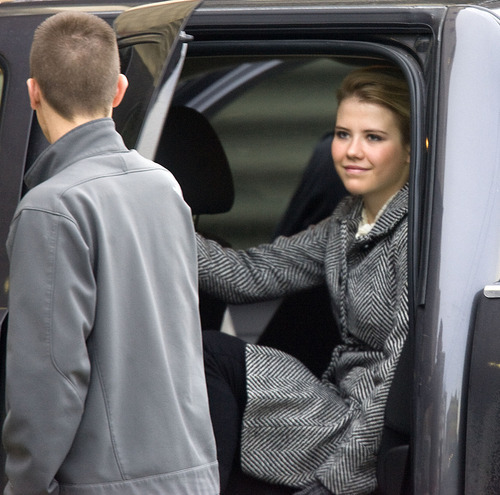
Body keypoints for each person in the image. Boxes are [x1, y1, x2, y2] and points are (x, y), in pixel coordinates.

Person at [2, 12, 218, 495]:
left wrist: (24, 485)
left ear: (33, 92)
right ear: (119, 90)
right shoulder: (164, 187)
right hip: (192, 477)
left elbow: (50, 379)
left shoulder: (51, 208)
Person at [198, 65, 411, 495]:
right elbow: (249, 274)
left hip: (368, 432)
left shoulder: (416, 233)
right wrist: (155, 220)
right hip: (334, 402)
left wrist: (335, 483)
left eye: (373, 137)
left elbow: (393, 380)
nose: (351, 151)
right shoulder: (347, 220)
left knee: (210, 354)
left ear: (410, 149)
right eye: (341, 133)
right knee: (204, 351)